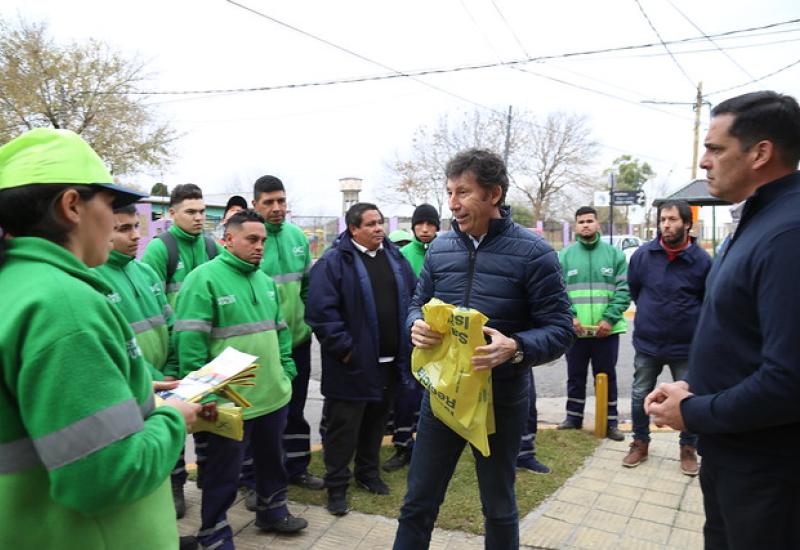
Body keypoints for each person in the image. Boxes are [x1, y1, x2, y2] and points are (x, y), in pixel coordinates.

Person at [0, 128, 200, 549]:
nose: (115, 221)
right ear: (72, 205)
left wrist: (138, 389)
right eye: (109, 204)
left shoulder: (16, 286)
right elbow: (104, 477)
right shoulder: (62, 305)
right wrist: (173, 419)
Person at [393, 149, 574, 549]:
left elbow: (561, 328)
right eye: (449, 193)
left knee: (499, 506)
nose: (453, 204)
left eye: (463, 192)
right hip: (442, 396)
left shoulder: (534, 253)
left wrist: (517, 347)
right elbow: (414, 306)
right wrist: (415, 326)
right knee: (417, 503)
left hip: (501, 401)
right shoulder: (439, 249)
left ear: (493, 194)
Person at [646, 91, 800, 549]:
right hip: (731, 456)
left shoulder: (788, 234)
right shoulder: (756, 222)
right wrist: (694, 391)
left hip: (769, 474)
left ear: (760, 152)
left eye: (715, 148)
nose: (704, 161)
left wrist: (692, 411)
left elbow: (788, 380)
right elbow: (741, 340)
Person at [173, 209, 308, 549]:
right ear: (228, 239)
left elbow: (280, 331)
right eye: (251, 239)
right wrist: (205, 397)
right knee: (223, 473)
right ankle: (214, 534)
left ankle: (272, 512)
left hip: (271, 396)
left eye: (262, 240)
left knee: (271, 461)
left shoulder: (265, 281)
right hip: (228, 402)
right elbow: (190, 344)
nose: (260, 246)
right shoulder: (202, 280)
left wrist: (286, 370)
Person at [306, 202, 416, 516]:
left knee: (376, 423)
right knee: (344, 429)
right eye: (370, 224)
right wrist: (347, 350)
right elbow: (321, 313)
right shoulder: (333, 262)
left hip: (390, 362)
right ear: (353, 229)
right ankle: (337, 486)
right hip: (351, 365)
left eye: (380, 222)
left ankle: (368, 474)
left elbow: (413, 295)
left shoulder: (394, 257)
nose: (378, 228)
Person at [142, 182, 221, 514]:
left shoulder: (211, 246)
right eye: (191, 211)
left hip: (205, 353)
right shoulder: (160, 250)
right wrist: (171, 362)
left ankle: (208, 480)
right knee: (173, 423)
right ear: (172, 214)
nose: (199, 217)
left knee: (207, 419)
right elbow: (154, 304)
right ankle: (175, 487)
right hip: (171, 361)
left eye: (202, 211)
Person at [622, 200, 711, 475]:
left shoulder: (702, 261)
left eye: (672, 220)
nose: (666, 225)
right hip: (648, 343)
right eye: (662, 220)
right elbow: (635, 290)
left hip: (686, 347)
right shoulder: (643, 256)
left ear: (687, 224)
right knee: (639, 395)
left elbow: (707, 300)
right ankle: (639, 442)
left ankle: (688, 448)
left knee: (689, 399)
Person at [250, 175, 323, 492]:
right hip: (263, 348)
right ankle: (256, 480)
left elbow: (308, 288)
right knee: (261, 414)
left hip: (298, 342)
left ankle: (296, 468)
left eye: (281, 200)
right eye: (269, 202)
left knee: (295, 408)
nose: (277, 208)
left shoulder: (297, 237)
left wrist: (307, 324)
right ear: (256, 205)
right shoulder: (250, 240)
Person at [557, 206, 630, 441]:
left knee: (607, 375)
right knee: (575, 375)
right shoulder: (564, 257)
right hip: (576, 331)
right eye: (581, 222)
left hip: (605, 332)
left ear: (598, 224)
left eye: (589, 221)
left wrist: (609, 319)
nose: (585, 225)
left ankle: (610, 422)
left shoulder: (614, 255)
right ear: (576, 226)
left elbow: (624, 290)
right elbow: (557, 292)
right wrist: (572, 317)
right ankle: (573, 418)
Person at [383, 204, 440, 473]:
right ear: (414, 227)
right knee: (407, 393)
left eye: (430, 224)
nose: (426, 229)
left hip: (442, 338)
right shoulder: (400, 256)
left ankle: (433, 447)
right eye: (421, 224)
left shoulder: (446, 252)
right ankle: (403, 445)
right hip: (410, 336)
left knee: (438, 391)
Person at [94, 204, 175, 382]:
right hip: (132, 386)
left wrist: (172, 372)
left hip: (167, 383)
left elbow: (171, 326)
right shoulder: (92, 279)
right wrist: (156, 379)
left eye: (136, 226)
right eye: (124, 229)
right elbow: (112, 347)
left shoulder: (147, 273)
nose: (136, 235)